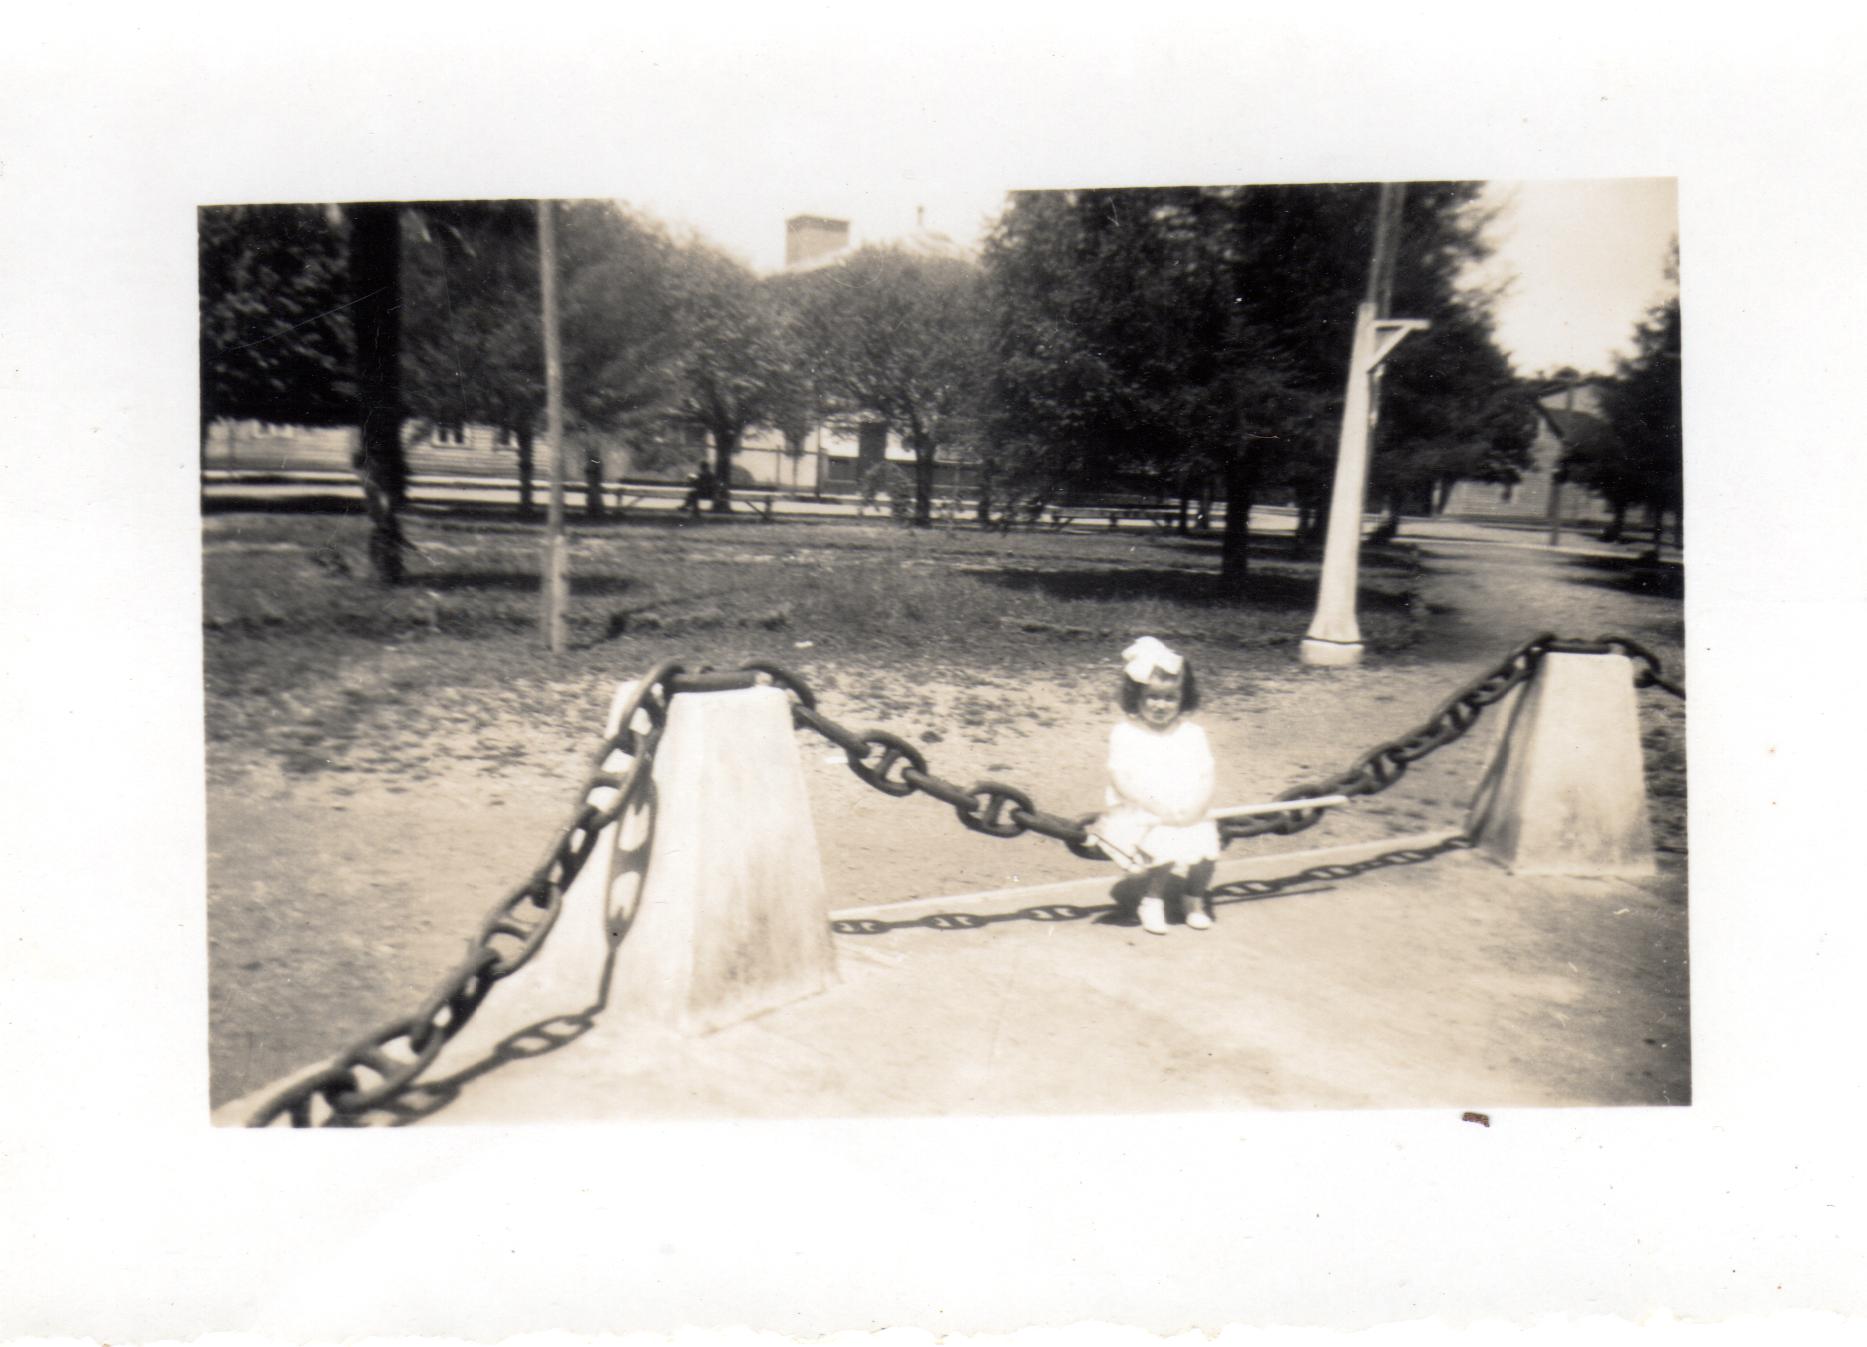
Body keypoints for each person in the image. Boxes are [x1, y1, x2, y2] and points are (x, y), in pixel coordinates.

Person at [1092, 636, 1221, 935]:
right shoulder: (1126, 733)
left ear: (1182, 699)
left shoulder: (1192, 734)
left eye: (1169, 697)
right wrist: (1154, 807)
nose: (1160, 705)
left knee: (1206, 855)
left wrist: (1197, 808)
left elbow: (1207, 775)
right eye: (1152, 696)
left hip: (1188, 807)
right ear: (1136, 697)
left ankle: (1194, 898)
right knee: (1163, 853)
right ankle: (1152, 900)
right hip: (1142, 808)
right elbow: (1121, 779)